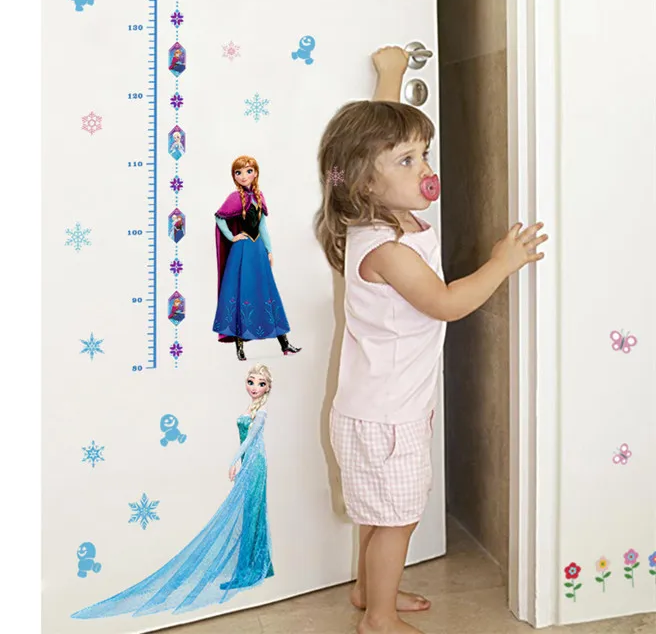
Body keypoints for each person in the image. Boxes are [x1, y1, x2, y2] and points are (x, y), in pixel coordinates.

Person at [314, 46, 548, 634]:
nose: (424, 168)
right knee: (396, 519)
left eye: (424, 154)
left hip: (381, 408)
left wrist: (391, 76)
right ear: (366, 182)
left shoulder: (379, 216)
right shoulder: (389, 250)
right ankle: (380, 617)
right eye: (408, 159)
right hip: (387, 417)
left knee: (381, 510)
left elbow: (379, 141)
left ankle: (369, 589)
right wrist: (502, 262)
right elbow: (445, 303)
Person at [71, 364, 275, 620]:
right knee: (249, 512)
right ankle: (256, 564)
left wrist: (235, 462)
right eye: (251, 381)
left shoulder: (262, 412)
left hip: (254, 463)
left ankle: (250, 569)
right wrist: (239, 461)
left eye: (260, 383)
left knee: (252, 511)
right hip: (249, 461)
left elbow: (251, 440)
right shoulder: (251, 408)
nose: (254, 387)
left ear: (267, 387)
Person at [213, 155, 301, 361]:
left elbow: (262, 226)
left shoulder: (259, 196)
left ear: (255, 173)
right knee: (241, 293)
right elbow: (219, 217)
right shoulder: (234, 197)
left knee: (267, 293)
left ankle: (285, 344)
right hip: (242, 250)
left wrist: (269, 250)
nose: (244, 176)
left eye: (248, 171)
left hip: (258, 250)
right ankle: (240, 348)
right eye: (239, 172)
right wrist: (232, 237)